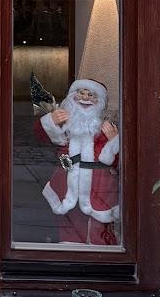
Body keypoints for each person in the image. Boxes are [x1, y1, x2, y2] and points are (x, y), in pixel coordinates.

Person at [34, 77, 120, 245]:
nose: (85, 98)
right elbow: (40, 136)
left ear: (100, 102)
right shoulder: (66, 125)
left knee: (97, 228)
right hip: (66, 183)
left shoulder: (104, 128)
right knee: (67, 224)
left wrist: (114, 141)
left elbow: (117, 161)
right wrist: (51, 121)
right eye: (81, 93)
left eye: (91, 95)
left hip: (98, 187)